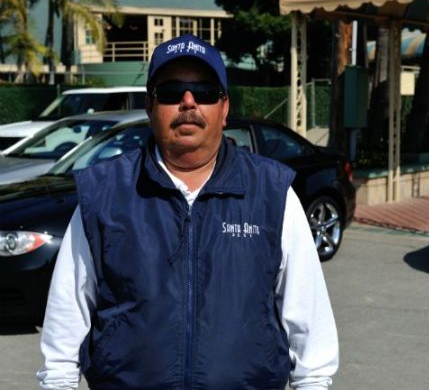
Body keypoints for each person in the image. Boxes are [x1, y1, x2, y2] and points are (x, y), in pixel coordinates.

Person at [37, 34, 339, 390]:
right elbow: (63, 338)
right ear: (150, 106)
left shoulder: (272, 194)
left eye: (205, 92)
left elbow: (311, 337)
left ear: (224, 108)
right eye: (170, 91)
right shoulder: (105, 195)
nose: (188, 102)